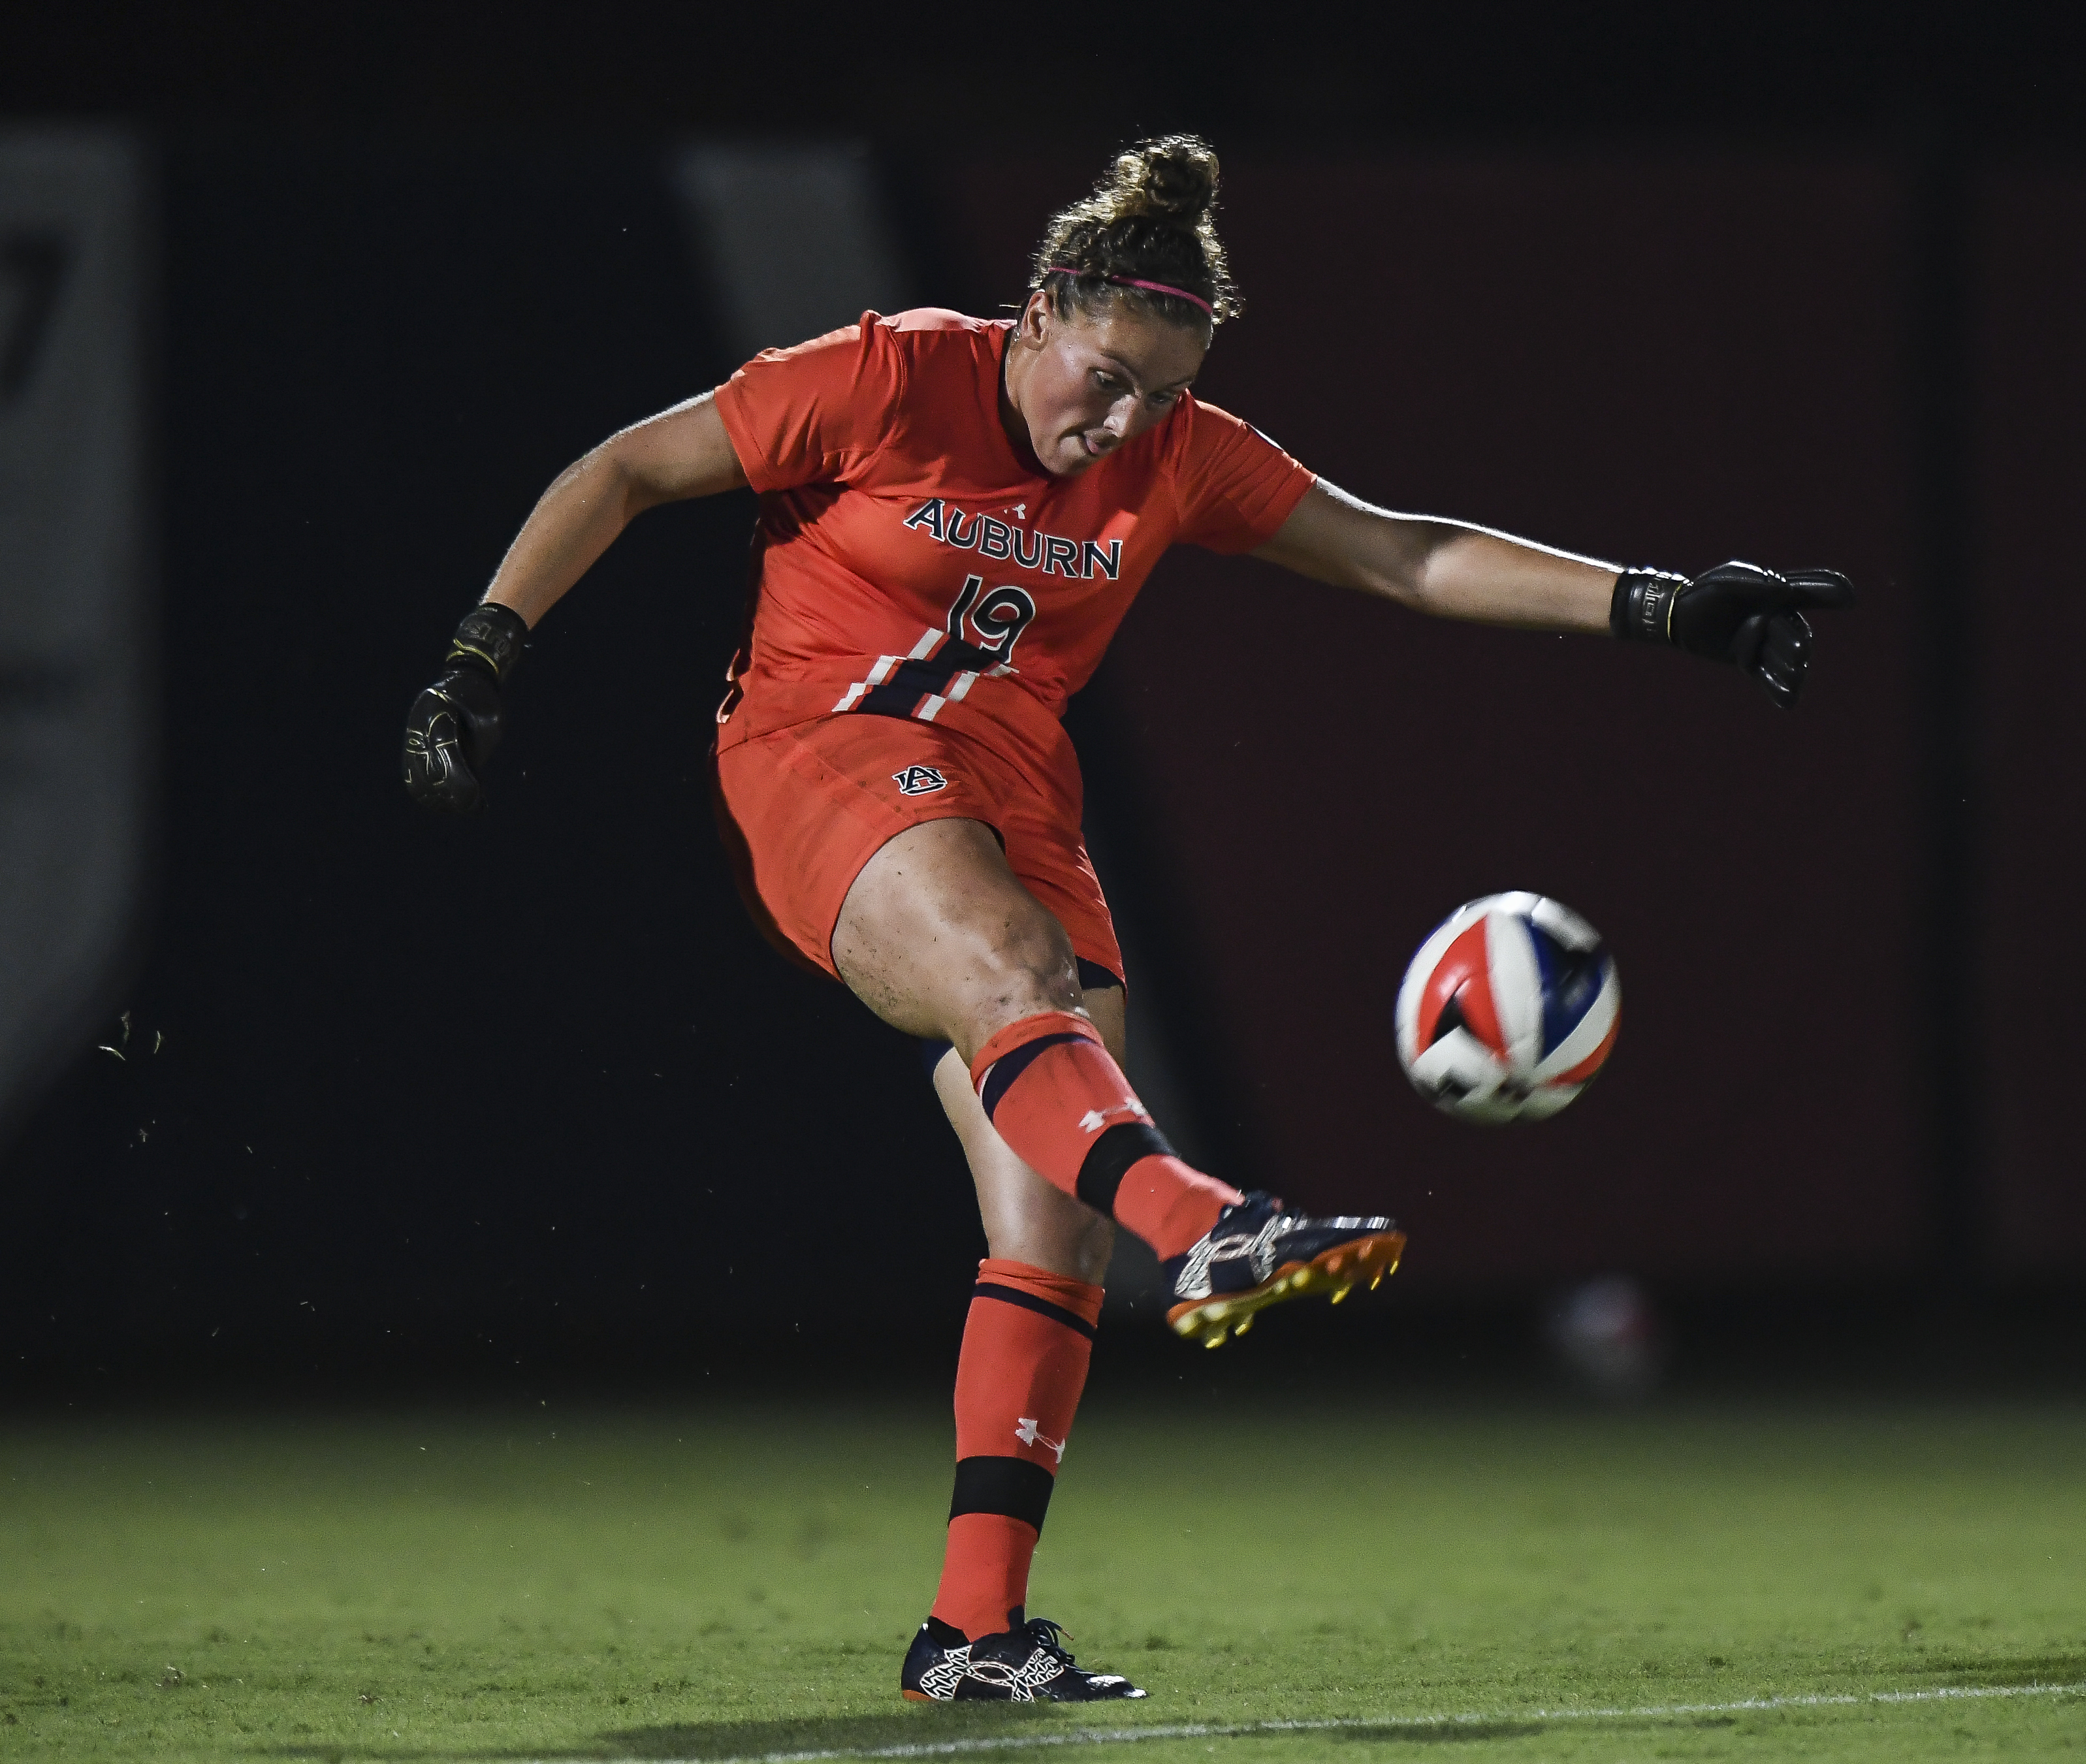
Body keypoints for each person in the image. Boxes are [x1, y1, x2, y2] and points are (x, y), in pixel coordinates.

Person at [399, 135, 1852, 1704]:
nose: (1123, 421)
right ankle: (1211, 1223)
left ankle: (972, 1633)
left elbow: (1402, 554)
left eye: (1159, 394)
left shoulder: (1173, 454)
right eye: (1104, 377)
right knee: (1018, 979)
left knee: (1047, 1219)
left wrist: (1659, 600)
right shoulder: (892, 375)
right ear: (1034, 316)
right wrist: (482, 653)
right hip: (819, 754)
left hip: (1016, 794)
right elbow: (624, 466)